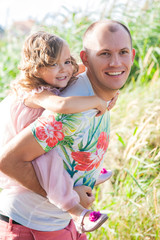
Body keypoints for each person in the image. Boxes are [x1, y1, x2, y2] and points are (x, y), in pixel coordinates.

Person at [0, 19, 135, 239]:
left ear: (133, 55)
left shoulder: (98, 90)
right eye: (104, 54)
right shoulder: (70, 111)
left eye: (123, 52)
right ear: (86, 58)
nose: (116, 62)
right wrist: (70, 197)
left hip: (59, 222)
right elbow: (7, 161)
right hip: (31, 224)